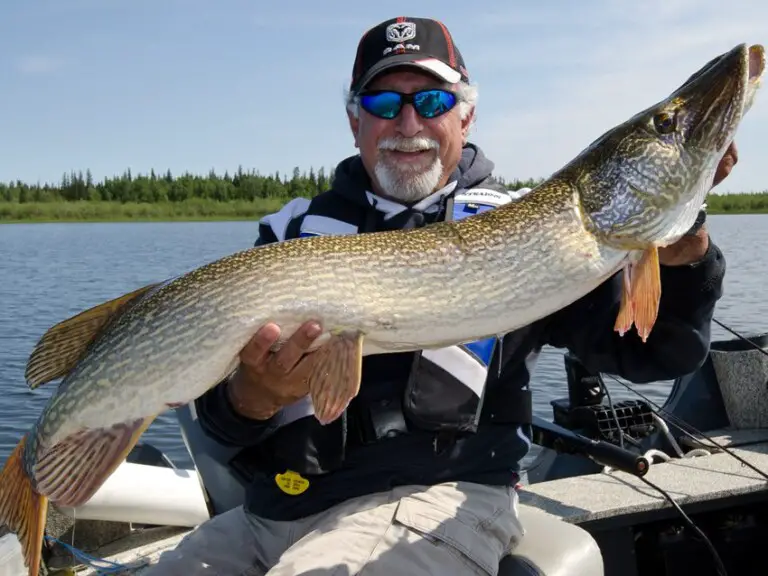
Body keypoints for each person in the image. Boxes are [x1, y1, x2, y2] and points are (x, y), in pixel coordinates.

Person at [147, 16, 736, 576]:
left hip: (440, 498)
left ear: (466, 117)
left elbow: (655, 356)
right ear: (356, 122)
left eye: (432, 101)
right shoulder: (289, 235)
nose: (409, 125)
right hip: (275, 511)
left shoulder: (539, 230)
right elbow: (222, 423)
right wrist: (257, 395)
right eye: (383, 104)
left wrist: (686, 260)